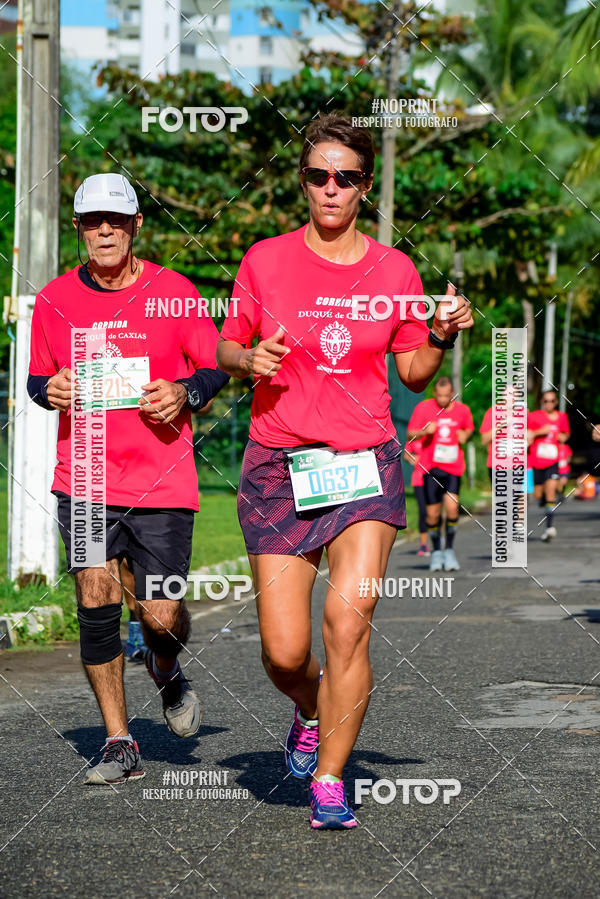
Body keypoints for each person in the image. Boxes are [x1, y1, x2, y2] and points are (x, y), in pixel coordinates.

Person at [216, 113, 474, 829]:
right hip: (279, 464)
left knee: (347, 622)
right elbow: (227, 346)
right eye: (317, 175)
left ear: (365, 188)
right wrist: (247, 360)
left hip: (365, 464)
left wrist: (444, 333)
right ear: (303, 182)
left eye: (346, 177)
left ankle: (330, 777)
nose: (330, 189)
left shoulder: (395, 270)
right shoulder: (264, 260)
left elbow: (416, 371)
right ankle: (311, 704)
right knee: (285, 649)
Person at [27, 172, 229, 784]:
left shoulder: (177, 293)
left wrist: (186, 391)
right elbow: (40, 379)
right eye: (92, 221)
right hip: (84, 476)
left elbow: (217, 364)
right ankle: (119, 741)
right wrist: (49, 390)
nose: (105, 230)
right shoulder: (54, 299)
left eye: (116, 220)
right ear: (80, 230)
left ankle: (166, 670)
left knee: (160, 615)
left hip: (162, 483)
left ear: (137, 226)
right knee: (94, 597)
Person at [407, 378, 473, 572]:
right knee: (432, 514)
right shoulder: (423, 408)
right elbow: (410, 433)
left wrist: (465, 435)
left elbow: (469, 429)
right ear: (434, 393)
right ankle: (436, 552)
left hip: (453, 468)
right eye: (440, 396)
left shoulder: (463, 410)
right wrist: (424, 431)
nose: (443, 400)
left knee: (452, 509)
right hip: (431, 468)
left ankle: (449, 550)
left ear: (452, 393)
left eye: (447, 396)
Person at [527, 390, 570, 541]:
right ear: (542, 402)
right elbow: (527, 434)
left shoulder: (562, 417)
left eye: (552, 401)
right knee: (539, 494)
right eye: (546, 401)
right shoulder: (535, 416)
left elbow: (566, 435)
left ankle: (549, 527)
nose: (549, 404)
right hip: (537, 461)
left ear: (556, 402)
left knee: (551, 490)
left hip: (553, 461)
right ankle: (545, 500)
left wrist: (560, 436)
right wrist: (540, 431)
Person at [403, 437, 430, 556]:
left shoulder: (434, 435)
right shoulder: (415, 436)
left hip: (434, 478)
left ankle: (439, 542)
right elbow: (406, 454)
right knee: (423, 511)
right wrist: (412, 458)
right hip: (418, 479)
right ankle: (424, 545)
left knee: (435, 511)